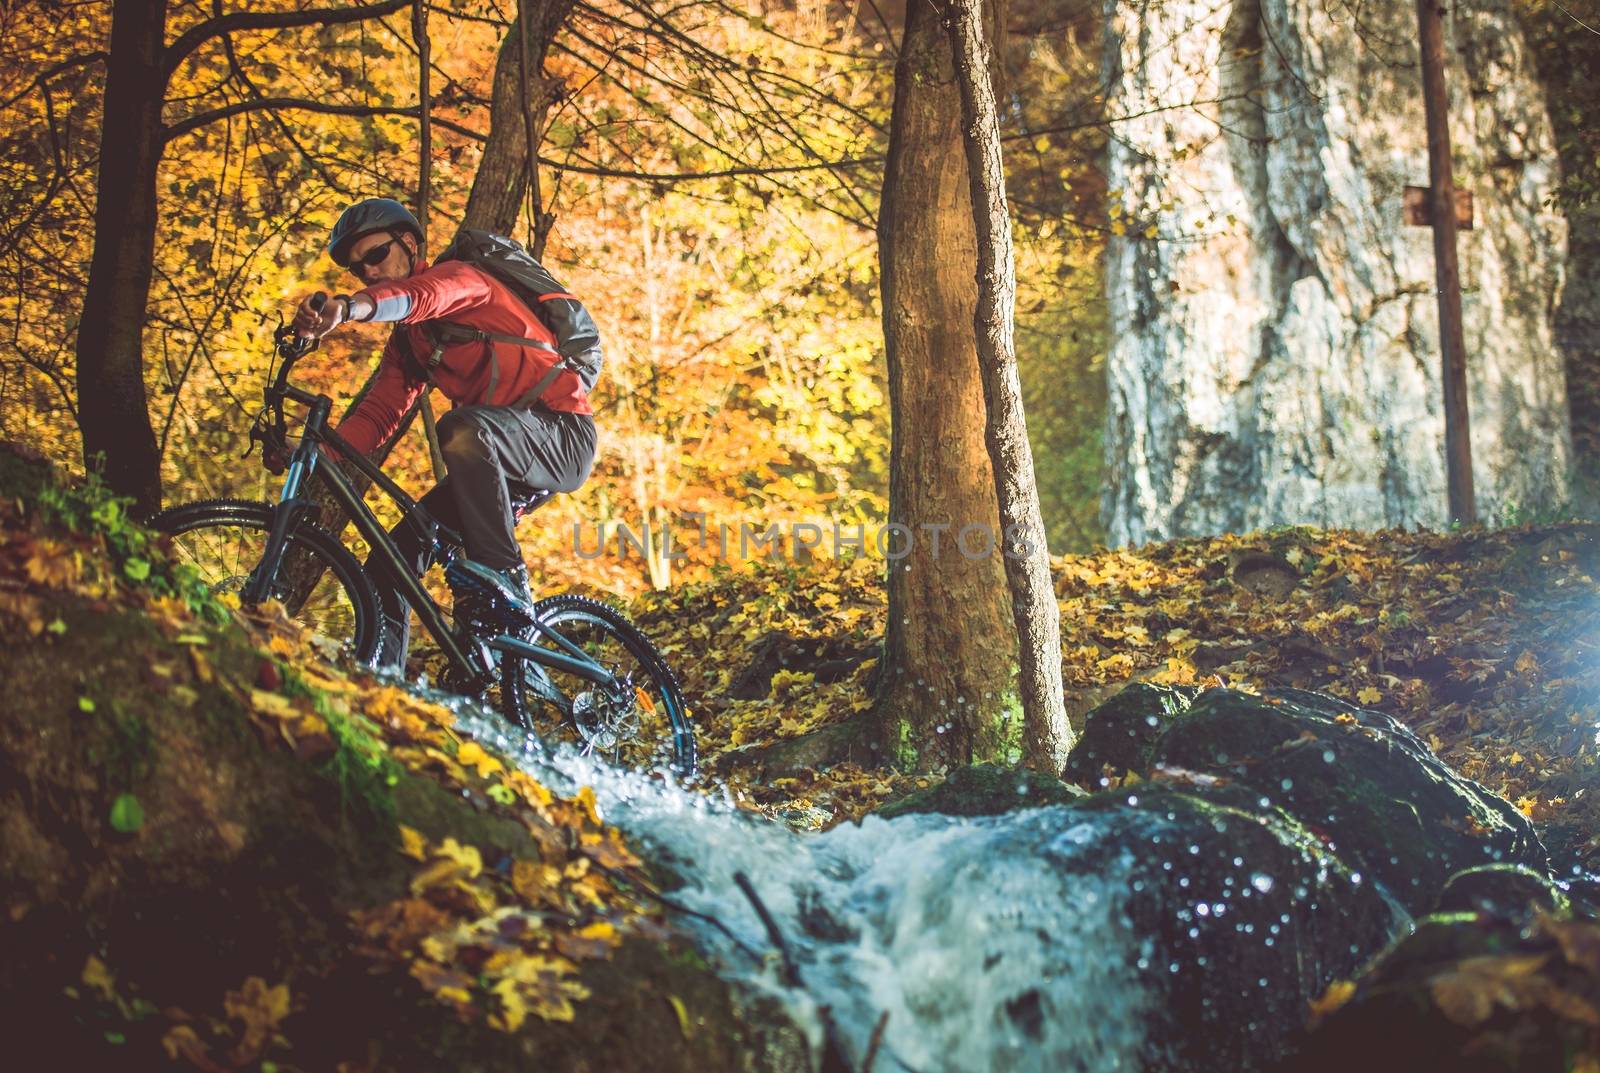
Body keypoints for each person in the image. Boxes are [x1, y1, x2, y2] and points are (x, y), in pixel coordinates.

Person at [289, 197, 598, 673]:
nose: (369, 272)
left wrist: (349, 308)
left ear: (409, 244)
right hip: (489, 465)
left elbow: (420, 297)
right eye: (357, 270)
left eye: (376, 256)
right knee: (387, 567)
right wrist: (312, 452)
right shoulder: (410, 345)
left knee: (461, 427)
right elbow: (378, 414)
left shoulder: (463, 280)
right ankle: (385, 687)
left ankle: (506, 584)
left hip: (560, 436)